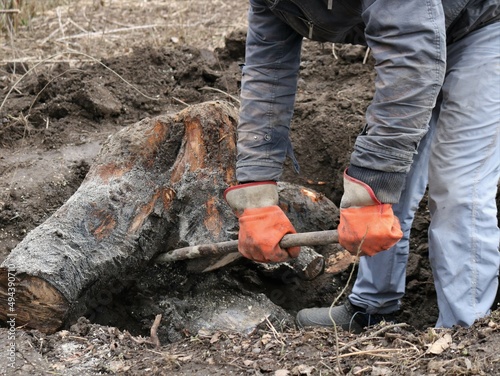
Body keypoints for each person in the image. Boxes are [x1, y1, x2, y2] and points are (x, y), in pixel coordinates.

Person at [224, 0, 500, 332]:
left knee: (457, 185)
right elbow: (267, 72)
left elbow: (412, 56)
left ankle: (463, 331)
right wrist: (255, 195)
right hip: (411, 39)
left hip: (480, 29)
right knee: (389, 176)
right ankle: (372, 307)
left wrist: (371, 186)